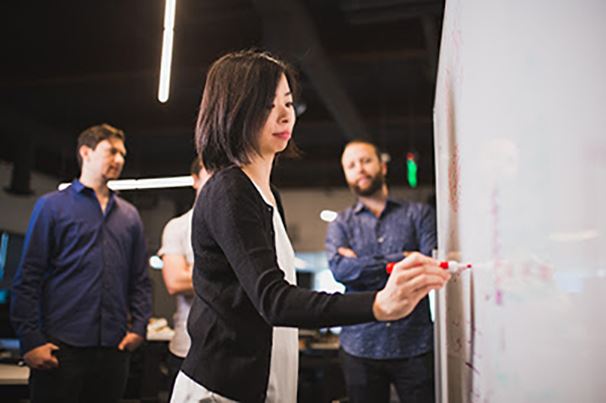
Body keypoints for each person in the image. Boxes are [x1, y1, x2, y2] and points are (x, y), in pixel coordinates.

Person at [171, 50, 450, 403]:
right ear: (235, 109)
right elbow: (275, 300)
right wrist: (378, 304)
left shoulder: (266, 192)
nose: (285, 113)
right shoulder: (230, 189)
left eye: (287, 102)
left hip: (260, 382)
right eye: (267, 104)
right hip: (220, 390)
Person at [10, 124, 152, 403]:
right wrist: (30, 340)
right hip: (61, 349)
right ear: (86, 152)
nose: (120, 160)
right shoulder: (52, 206)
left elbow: (140, 279)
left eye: (123, 154)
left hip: (113, 350)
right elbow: (29, 276)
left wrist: (139, 328)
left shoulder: (130, 216)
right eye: (112, 151)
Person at [326, 140, 438, 403]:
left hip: (415, 343)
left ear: (382, 166)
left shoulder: (419, 214)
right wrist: (401, 258)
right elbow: (341, 270)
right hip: (359, 345)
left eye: (365, 161)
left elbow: (425, 266)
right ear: (346, 175)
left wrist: (362, 263)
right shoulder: (341, 223)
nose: (360, 169)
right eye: (351, 165)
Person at [158, 157, 210, 399]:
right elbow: (175, 282)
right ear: (195, 180)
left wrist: (193, 270)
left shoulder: (238, 227)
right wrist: (229, 273)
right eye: (210, 173)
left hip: (229, 353)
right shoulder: (178, 227)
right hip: (186, 349)